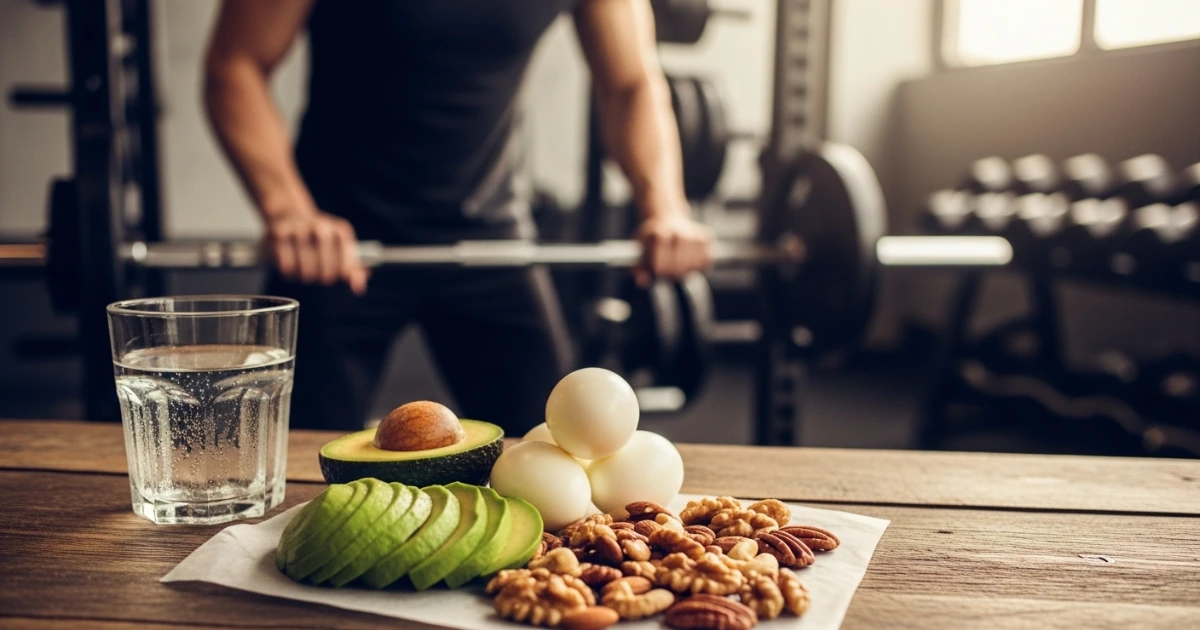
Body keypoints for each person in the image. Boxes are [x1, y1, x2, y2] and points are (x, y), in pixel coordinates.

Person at [203, 0, 713, 435]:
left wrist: (666, 208)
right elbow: (236, 65)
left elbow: (630, 84)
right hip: (335, 246)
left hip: (490, 237)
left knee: (554, 452)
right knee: (285, 469)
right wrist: (289, 210)